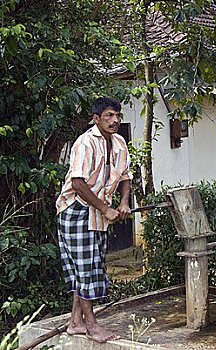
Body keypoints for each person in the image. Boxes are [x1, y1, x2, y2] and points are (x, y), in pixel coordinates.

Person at [56, 97, 131, 343]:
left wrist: (123, 203)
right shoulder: (85, 143)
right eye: (109, 115)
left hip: (98, 212)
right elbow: (78, 183)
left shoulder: (119, 143)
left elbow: (125, 175)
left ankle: (75, 323)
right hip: (75, 211)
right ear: (96, 118)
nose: (115, 120)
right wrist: (105, 208)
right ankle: (91, 326)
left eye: (117, 115)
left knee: (88, 266)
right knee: (85, 268)